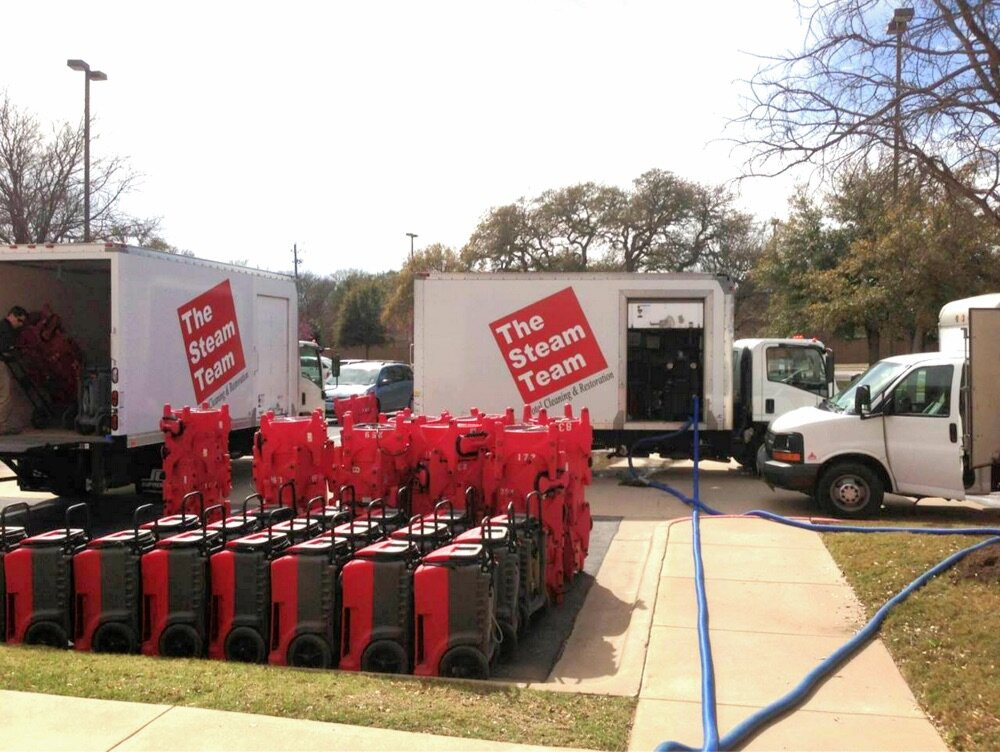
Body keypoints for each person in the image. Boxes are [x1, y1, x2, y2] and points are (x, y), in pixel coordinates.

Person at [0, 306, 31, 435]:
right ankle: (1, 425)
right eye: (20, 320)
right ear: (12, 315)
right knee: (5, 394)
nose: (20, 325)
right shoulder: (6, 329)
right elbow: (5, 348)